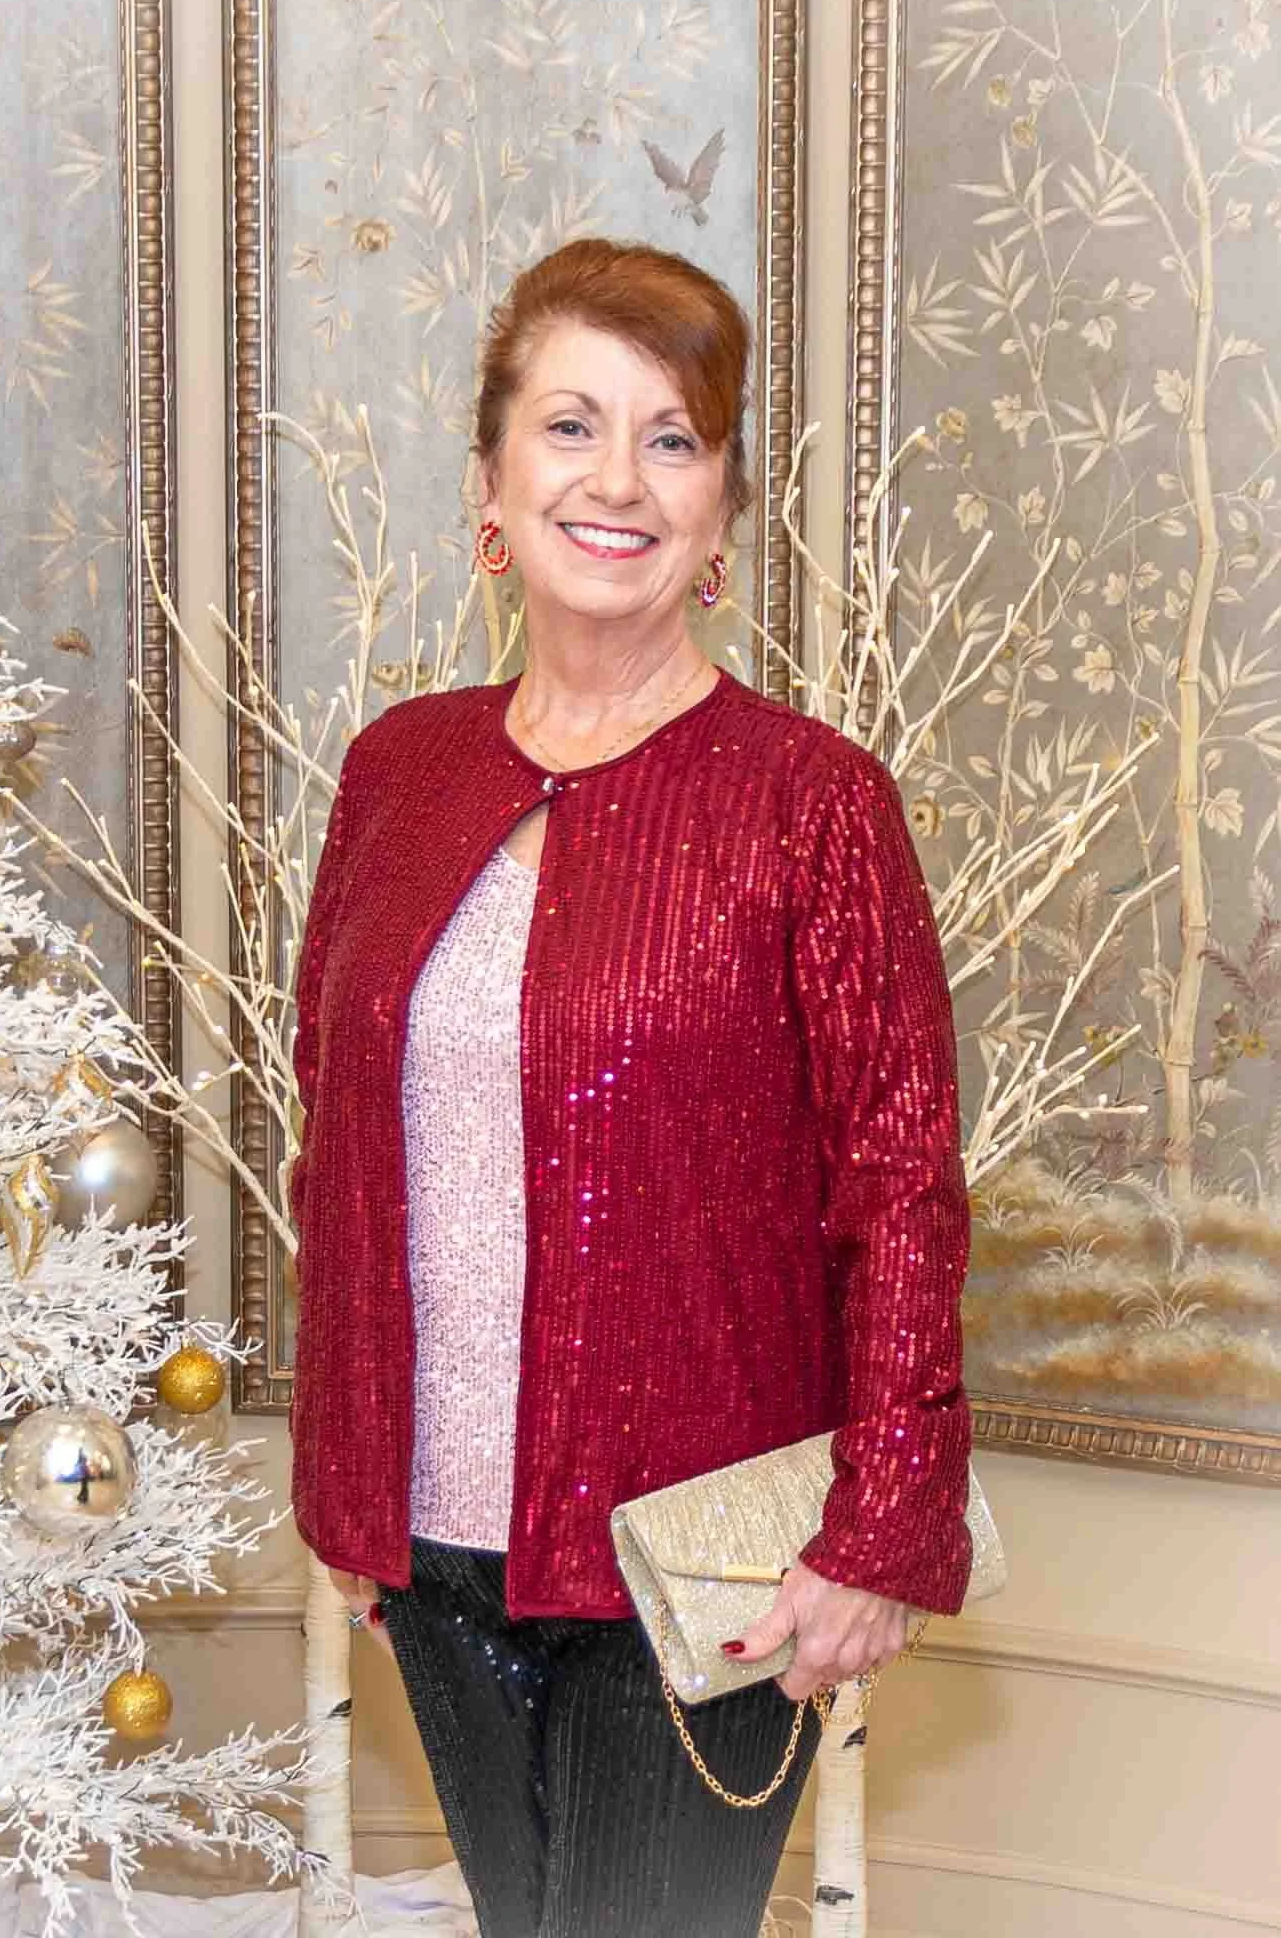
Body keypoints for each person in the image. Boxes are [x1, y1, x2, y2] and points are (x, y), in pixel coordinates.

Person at [287, 238, 972, 1938]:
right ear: (491, 483)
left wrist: (883, 1526)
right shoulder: (398, 772)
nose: (617, 480)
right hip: (435, 1542)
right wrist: (353, 1477)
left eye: (672, 439)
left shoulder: (812, 803)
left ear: (721, 508)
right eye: (571, 426)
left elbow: (900, 1186)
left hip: (707, 1555)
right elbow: (335, 1139)